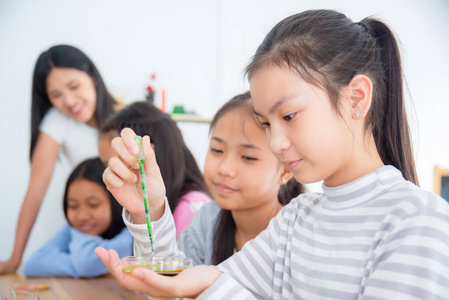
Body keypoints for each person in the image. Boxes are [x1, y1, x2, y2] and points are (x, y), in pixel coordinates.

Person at [96, 9, 449, 300]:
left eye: (289, 116)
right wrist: (149, 211)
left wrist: (214, 287)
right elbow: (185, 286)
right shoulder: (297, 219)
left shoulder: (417, 221)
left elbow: (211, 287)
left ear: (356, 98)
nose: (276, 143)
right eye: (266, 124)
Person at [123, 93, 304, 264]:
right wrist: (147, 211)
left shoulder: (299, 237)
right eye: (217, 150)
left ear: (285, 171)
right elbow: (171, 288)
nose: (224, 169)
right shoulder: (207, 222)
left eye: (248, 157)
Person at [0, 45, 120, 274]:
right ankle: (100, 265)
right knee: (35, 265)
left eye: (74, 87)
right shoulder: (57, 121)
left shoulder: (126, 115)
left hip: (126, 221)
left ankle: (100, 264)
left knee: (89, 259)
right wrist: (15, 258)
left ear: (92, 76)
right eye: (56, 95)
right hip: (90, 226)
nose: (69, 101)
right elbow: (36, 189)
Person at [98, 101, 212, 239]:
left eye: (118, 163)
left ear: (147, 153)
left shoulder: (192, 208)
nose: (111, 173)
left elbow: (164, 259)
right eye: (107, 166)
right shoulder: (137, 206)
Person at [24, 157, 132, 278]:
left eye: (93, 205)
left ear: (117, 201)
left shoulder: (133, 231)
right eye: (73, 206)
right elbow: (33, 264)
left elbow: (86, 264)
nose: (82, 216)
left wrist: (84, 263)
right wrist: (82, 265)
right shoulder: (76, 228)